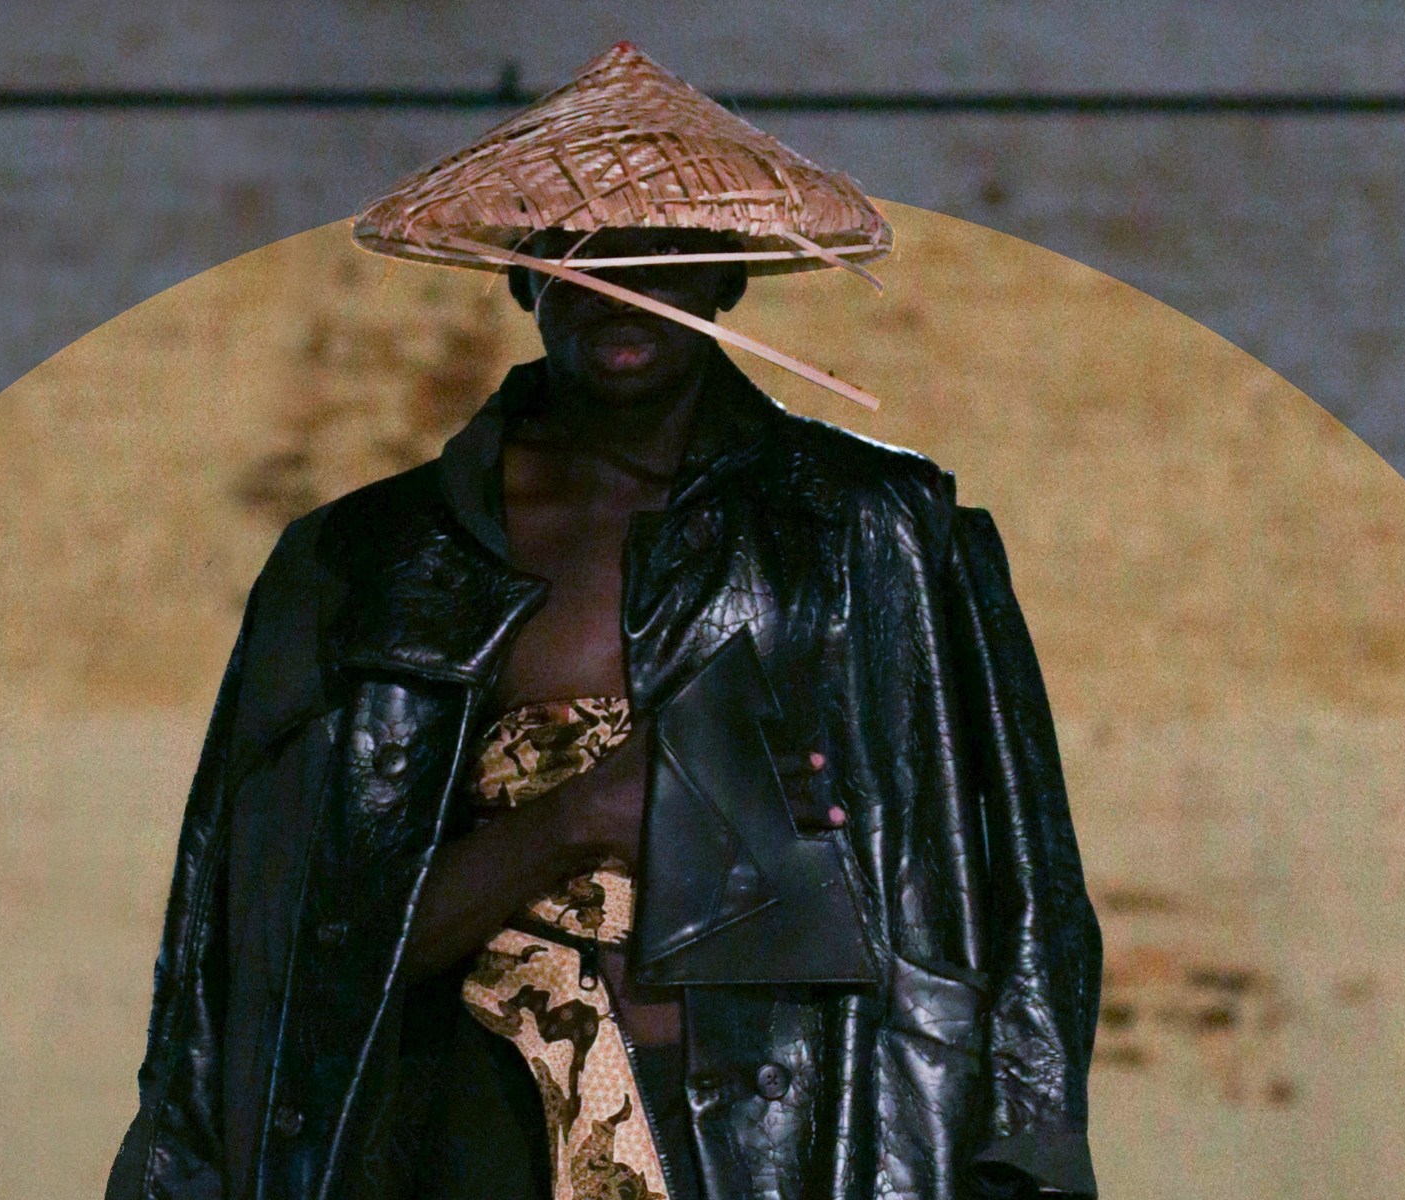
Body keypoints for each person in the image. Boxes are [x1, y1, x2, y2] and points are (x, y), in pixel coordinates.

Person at [107, 44, 1102, 1200]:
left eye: (662, 252)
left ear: (728, 277)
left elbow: (1016, 885)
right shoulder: (367, 561)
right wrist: (579, 816)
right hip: (467, 1136)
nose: (620, 281)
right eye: (578, 251)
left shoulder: (876, 532)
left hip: (813, 1138)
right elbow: (268, 941)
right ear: (522, 280)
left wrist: (1021, 1163)